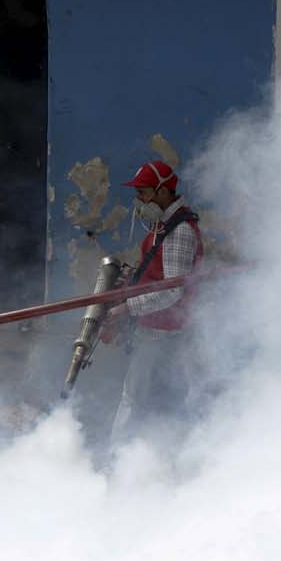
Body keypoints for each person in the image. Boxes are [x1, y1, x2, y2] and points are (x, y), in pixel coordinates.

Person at [106, 160, 204, 449]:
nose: (139, 200)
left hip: (163, 333)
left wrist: (127, 307)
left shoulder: (180, 231)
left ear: (163, 192)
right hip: (156, 329)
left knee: (135, 401)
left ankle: (117, 463)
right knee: (155, 401)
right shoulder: (166, 225)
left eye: (143, 193)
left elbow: (173, 290)